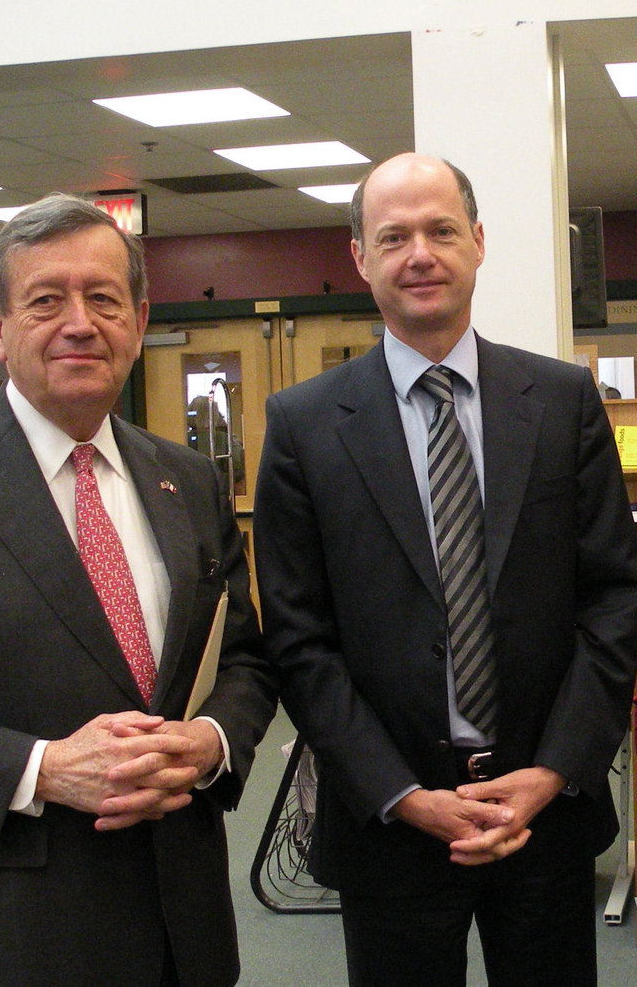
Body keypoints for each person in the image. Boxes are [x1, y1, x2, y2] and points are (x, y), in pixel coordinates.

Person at [0, 194, 277, 987]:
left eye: (104, 298)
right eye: (46, 300)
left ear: (138, 323)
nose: (80, 322)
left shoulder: (188, 480)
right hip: (12, 934)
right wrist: (42, 768)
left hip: (186, 926)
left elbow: (245, 659)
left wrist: (210, 743)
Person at [253, 153, 637, 986]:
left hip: (546, 814)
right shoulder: (303, 425)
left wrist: (556, 769)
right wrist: (400, 794)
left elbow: (614, 597)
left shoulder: (564, 401)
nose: (418, 253)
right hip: (391, 824)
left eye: (440, 231)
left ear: (479, 243)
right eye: (392, 236)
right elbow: (297, 634)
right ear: (360, 256)